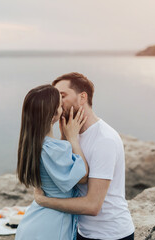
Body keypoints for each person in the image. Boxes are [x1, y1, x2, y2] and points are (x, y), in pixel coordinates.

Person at [34, 72, 135, 240]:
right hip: (81, 231)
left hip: (110, 235)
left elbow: (92, 205)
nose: (56, 103)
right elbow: (64, 178)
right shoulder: (72, 132)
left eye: (62, 96)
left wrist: (44, 201)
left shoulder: (104, 140)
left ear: (82, 98)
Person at [15, 84, 89, 240]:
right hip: (51, 226)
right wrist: (73, 139)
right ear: (54, 114)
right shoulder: (51, 149)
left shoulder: (32, 144)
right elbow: (82, 176)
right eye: (60, 105)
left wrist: (64, 137)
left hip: (35, 221)